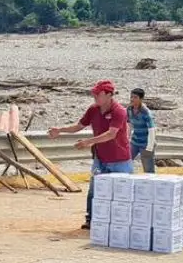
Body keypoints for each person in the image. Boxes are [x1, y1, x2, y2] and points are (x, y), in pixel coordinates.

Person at [48, 79, 132, 229]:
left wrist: (88, 142)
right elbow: (79, 126)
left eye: (98, 93)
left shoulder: (119, 111)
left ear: (108, 94)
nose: (94, 96)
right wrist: (60, 130)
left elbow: (111, 134)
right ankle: (91, 219)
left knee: (122, 193)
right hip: (101, 158)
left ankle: (121, 222)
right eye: (94, 93)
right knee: (94, 190)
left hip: (119, 159)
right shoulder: (93, 109)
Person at [127, 87, 156, 174]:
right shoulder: (129, 109)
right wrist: (128, 139)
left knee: (148, 169)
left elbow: (152, 130)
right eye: (131, 97)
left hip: (146, 143)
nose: (132, 99)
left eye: (135, 97)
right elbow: (128, 124)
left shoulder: (146, 112)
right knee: (125, 160)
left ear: (141, 99)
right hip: (135, 142)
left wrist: (150, 147)